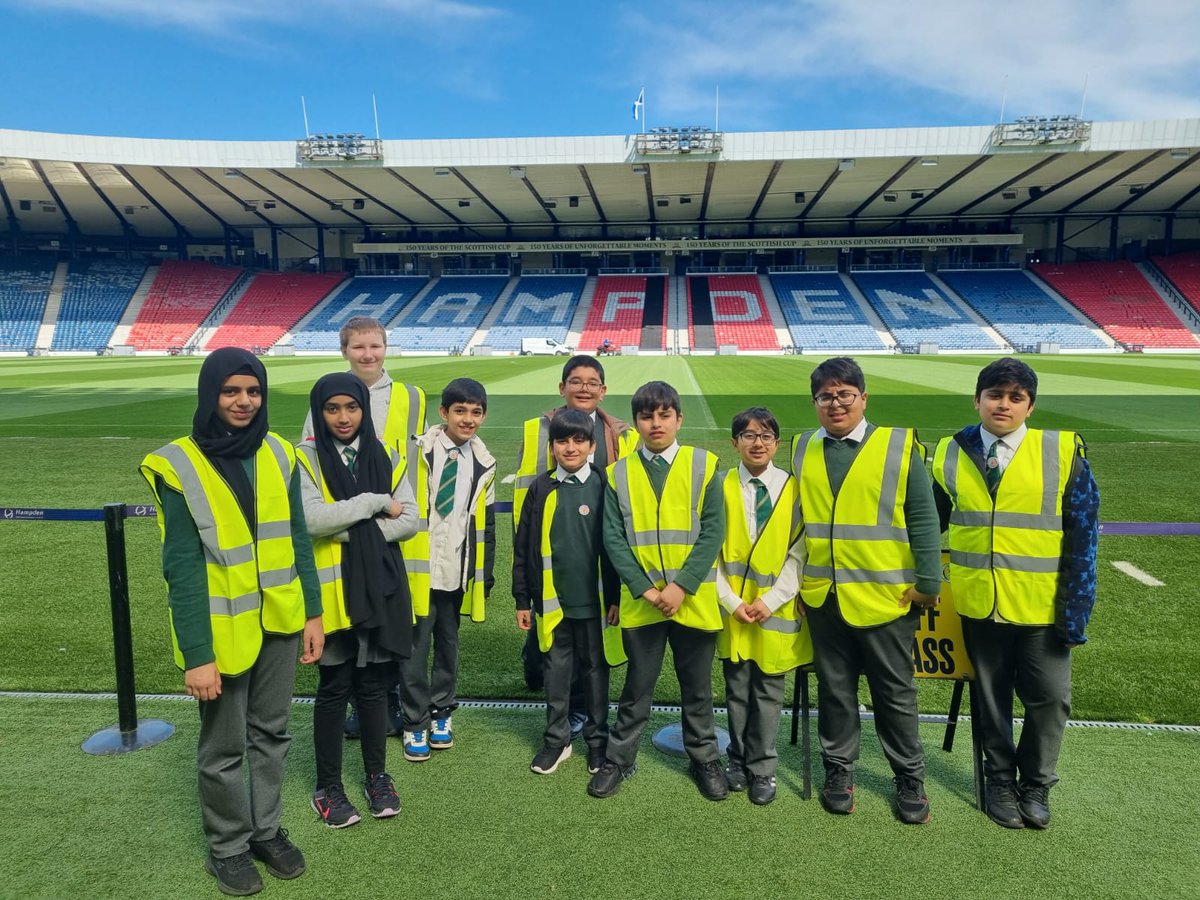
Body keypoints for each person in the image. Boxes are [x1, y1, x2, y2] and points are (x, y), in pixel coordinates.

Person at [140, 347, 324, 897]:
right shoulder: (176, 464)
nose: (244, 402)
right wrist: (197, 655)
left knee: (272, 734)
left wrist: (313, 613)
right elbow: (182, 568)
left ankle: (265, 831)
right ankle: (227, 846)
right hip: (221, 633)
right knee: (223, 748)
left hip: (282, 621)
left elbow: (297, 539)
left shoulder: (281, 453)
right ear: (210, 394)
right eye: (230, 391)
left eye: (253, 391)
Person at [931, 357, 1098, 830]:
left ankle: (1037, 783)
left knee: (1049, 699)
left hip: (1042, 606)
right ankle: (999, 780)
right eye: (995, 395)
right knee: (991, 699)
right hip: (978, 602)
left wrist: (1076, 609)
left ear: (1030, 406)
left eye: (1015, 397)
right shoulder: (949, 452)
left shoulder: (1062, 452)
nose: (1003, 404)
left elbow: (1084, 537)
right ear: (977, 400)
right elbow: (928, 523)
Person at [790, 356, 941, 825]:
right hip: (823, 595)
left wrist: (929, 583)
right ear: (815, 402)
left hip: (887, 599)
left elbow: (923, 516)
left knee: (894, 693)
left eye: (844, 395)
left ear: (863, 398)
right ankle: (840, 770)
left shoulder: (898, 446)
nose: (835, 404)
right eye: (825, 397)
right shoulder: (801, 447)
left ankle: (909, 777)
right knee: (835, 690)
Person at [588, 380, 727, 801]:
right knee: (636, 688)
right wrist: (649, 591)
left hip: (693, 600)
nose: (655, 423)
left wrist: (680, 587)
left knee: (697, 689)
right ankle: (619, 760)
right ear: (636, 422)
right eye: (647, 416)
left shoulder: (704, 464)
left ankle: (704, 759)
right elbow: (613, 540)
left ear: (679, 419)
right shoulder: (617, 473)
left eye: (664, 414)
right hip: (643, 603)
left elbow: (713, 532)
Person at [296, 373, 419, 828]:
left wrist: (350, 531)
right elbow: (311, 520)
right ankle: (328, 787)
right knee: (334, 690)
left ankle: (377, 776)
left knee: (373, 689)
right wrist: (371, 502)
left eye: (352, 407)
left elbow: (409, 520)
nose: (343, 417)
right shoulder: (305, 458)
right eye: (333, 409)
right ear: (319, 412)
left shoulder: (387, 453)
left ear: (364, 409)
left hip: (381, 591)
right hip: (333, 596)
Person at [300, 316, 426, 738]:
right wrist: (368, 514)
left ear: (386, 347)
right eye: (358, 347)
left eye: (375, 346)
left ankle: (388, 703)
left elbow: (414, 459)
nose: (368, 354)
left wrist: (392, 514)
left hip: (394, 522)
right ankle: (363, 707)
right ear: (345, 351)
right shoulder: (322, 403)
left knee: (388, 625)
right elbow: (314, 494)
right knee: (346, 649)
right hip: (354, 533)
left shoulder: (411, 397)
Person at [512, 354, 638, 726]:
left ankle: (582, 712)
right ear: (562, 387)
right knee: (546, 637)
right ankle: (535, 666)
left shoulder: (618, 432)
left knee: (589, 643)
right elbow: (526, 488)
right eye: (576, 381)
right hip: (546, 549)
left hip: (592, 547)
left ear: (603, 390)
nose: (583, 388)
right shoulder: (537, 429)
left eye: (591, 382)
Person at [512, 409, 623, 776]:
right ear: (552, 445)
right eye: (562, 441)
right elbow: (524, 546)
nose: (570, 448)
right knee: (556, 671)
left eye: (579, 440)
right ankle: (556, 741)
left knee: (594, 670)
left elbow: (615, 545)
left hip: (594, 603)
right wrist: (522, 599)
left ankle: (596, 740)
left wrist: (616, 598)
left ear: (592, 445)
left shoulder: (605, 484)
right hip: (551, 602)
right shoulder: (541, 487)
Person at [398, 377, 496, 761]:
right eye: (460, 411)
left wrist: (483, 575)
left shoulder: (484, 461)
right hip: (418, 569)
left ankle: (442, 712)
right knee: (414, 648)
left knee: (448, 646)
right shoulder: (418, 451)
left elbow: (486, 523)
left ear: (483, 416)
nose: (467, 419)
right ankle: (414, 720)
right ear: (444, 413)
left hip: (457, 571)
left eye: (475, 413)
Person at [716, 407, 809, 806]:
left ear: (777, 443)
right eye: (749, 436)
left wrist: (771, 600)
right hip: (732, 611)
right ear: (734, 442)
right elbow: (709, 556)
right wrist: (732, 601)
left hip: (776, 611)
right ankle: (737, 759)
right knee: (736, 689)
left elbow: (800, 552)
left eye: (767, 436)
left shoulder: (794, 489)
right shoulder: (718, 487)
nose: (758, 443)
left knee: (770, 692)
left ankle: (763, 769)